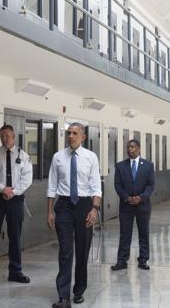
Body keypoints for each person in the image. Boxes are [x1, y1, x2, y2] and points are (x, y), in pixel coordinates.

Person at [47, 123, 101, 308]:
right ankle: (63, 297)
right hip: (63, 206)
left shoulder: (91, 157)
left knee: (82, 250)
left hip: (85, 206)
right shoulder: (58, 157)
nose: (71, 136)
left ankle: (79, 290)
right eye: (69, 133)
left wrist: (94, 209)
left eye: (75, 133)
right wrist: (50, 211)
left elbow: (96, 187)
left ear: (83, 137)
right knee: (65, 251)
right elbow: (52, 185)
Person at [0, 124, 33, 285]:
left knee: (15, 237)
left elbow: (27, 178)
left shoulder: (23, 156)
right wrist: (2, 188)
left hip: (15, 200)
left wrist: (13, 192)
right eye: (2, 136)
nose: (4, 139)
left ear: (13, 136)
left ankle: (15, 271)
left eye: (7, 136)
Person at [111, 139, 155, 271]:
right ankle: (122, 260)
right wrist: (126, 198)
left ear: (139, 149)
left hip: (143, 206)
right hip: (126, 206)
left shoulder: (148, 165)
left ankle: (143, 260)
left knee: (144, 233)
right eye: (128, 147)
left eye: (133, 147)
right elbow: (117, 185)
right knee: (125, 234)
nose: (130, 149)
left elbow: (151, 185)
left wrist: (141, 198)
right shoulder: (120, 166)